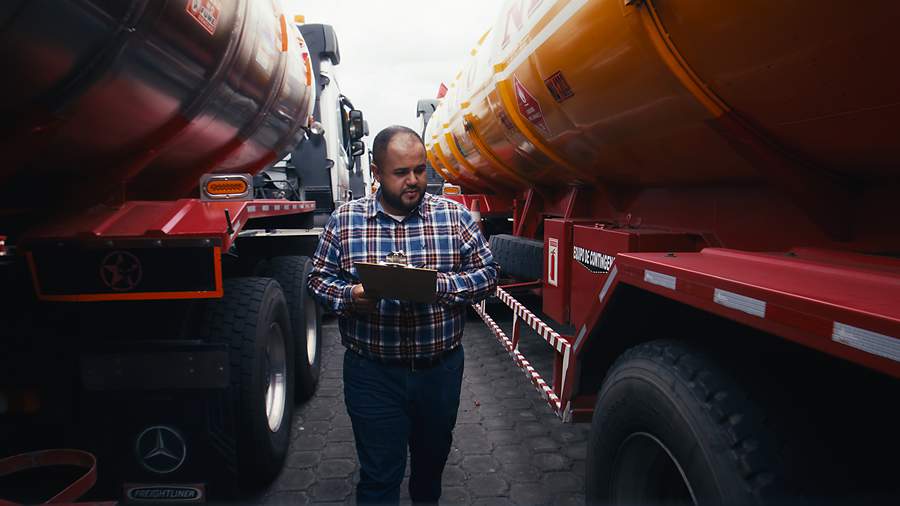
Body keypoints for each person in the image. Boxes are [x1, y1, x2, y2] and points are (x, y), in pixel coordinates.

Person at [308, 125, 497, 504]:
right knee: (379, 477)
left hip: (439, 373)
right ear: (376, 173)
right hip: (372, 373)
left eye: (420, 169)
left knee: (430, 471)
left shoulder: (454, 218)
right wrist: (350, 296)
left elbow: (488, 275)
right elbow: (317, 280)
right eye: (401, 172)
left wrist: (436, 287)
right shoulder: (346, 221)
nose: (414, 181)